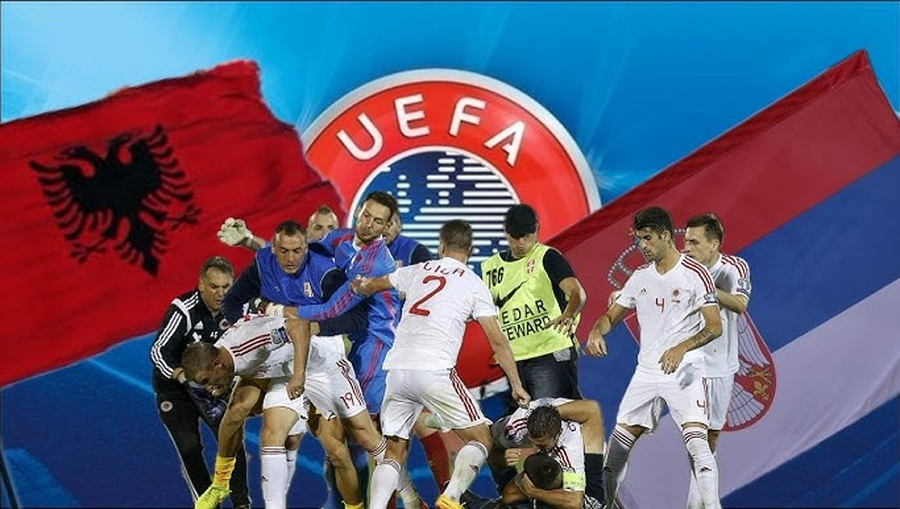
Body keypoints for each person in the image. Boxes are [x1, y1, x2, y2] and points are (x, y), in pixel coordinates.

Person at [351, 219, 531, 509]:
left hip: (397, 370)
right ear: (469, 250)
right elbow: (498, 342)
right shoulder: (474, 284)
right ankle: (452, 497)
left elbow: (373, 284)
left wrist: (358, 285)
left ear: (442, 246)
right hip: (434, 371)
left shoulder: (419, 270)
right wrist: (517, 384)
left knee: (393, 453)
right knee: (482, 439)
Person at [184, 315, 417, 509]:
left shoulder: (249, 342)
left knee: (350, 444)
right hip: (282, 372)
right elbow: (239, 407)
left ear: (218, 364)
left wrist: (299, 374)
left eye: (206, 381)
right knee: (259, 427)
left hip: (320, 365)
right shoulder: (225, 357)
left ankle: (408, 496)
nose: (209, 389)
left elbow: (299, 327)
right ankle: (220, 484)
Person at [583, 206, 724, 509]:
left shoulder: (695, 273)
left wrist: (681, 347)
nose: (642, 245)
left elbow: (715, 326)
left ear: (665, 235)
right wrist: (596, 331)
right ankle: (604, 505)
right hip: (647, 373)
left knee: (698, 445)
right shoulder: (639, 277)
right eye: (638, 240)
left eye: (647, 238)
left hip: (685, 370)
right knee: (617, 449)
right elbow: (610, 317)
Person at [149, 256, 250, 509]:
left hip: (212, 388)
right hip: (175, 389)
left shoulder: (238, 307)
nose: (221, 293)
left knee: (231, 440)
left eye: (226, 286)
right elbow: (159, 350)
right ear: (201, 285)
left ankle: (241, 503)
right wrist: (181, 376)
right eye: (214, 286)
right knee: (190, 448)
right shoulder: (184, 309)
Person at [481, 204, 587, 411]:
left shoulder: (547, 257)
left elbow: (577, 293)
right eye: (515, 237)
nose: (521, 242)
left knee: (551, 416)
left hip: (552, 351)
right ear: (506, 232)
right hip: (515, 358)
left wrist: (569, 313)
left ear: (537, 229)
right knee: (524, 422)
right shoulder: (490, 268)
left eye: (526, 236)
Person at [682, 213, 751, 509]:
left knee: (710, 438)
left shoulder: (734, 268)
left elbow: (740, 304)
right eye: (686, 241)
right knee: (695, 436)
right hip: (689, 364)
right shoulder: (679, 269)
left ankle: (696, 501)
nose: (687, 248)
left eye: (694, 242)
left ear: (714, 244)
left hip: (721, 366)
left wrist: (706, 287)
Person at [491, 400, 606, 509]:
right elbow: (489, 450)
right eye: (532, 442)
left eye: (542, 446)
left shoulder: (570, 450)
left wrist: (533, 492)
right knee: (508, 495)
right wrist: (503, 459)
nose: (535, 450)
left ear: (558, 434)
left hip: (582, 492)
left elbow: (575, 503)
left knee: (510, 495)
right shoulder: (516, 427)